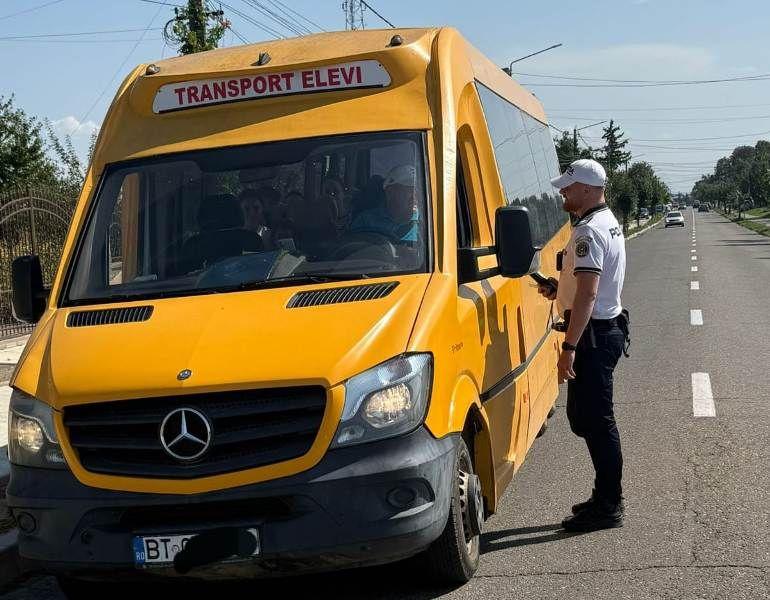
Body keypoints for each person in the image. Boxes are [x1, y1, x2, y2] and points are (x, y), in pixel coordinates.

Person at [537, 158, 629, 532]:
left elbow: (589, 294)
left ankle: (609, 505)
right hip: (603, 329)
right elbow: (590, 287)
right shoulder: (606, 222)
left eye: (569, 186)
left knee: (598, 422)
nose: (563, 191)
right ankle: (603, 495)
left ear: (588, 189)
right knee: (585, 418)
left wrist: (569, 347)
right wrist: (559, 289)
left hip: (593, 335)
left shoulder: (589, 231)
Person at [350, 165, 419, 243]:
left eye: (416, 191)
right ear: (389, 192)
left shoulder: (425, 221)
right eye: (409, 190)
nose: (414, 197)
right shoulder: (366, 220)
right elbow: (352, 247)